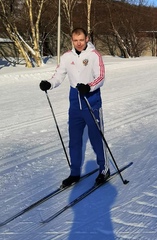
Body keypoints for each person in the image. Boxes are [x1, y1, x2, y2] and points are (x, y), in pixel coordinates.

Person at [39, 27, 109, 187]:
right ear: (72, 40)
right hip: (74, 103)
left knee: (96, 137)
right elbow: (58, 75)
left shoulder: (94, 55)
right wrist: (48, 84)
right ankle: (75, 172)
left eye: (81, 40)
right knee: (75, 139)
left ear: (87, 39)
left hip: (91, 100)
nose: (78, 43)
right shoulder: (66, 57)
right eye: (75, 40)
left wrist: (89, 87)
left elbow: (101, 77)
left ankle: (104, 169)